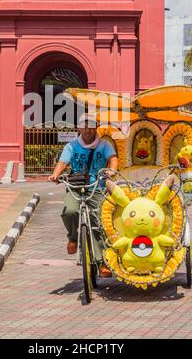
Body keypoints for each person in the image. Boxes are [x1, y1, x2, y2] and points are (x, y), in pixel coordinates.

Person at [48, 112, 119, 277]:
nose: (87, 129)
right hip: (75, 185)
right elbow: (63, 162)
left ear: (96, 128)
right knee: (70, 211)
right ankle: (73, 238)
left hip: (97, 187)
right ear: (79, 128)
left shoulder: (104, 145)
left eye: (91, 126)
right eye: (84, 126)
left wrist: (112, 170)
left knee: (100, 222)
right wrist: (56, 174)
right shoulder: (71, 146)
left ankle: (102, 262)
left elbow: (113, 158)